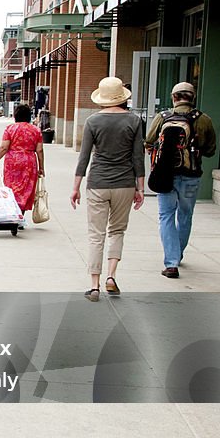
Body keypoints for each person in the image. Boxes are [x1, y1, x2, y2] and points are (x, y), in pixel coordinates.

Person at [70, 77, 146, 301]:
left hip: (97, 183)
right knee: (117, 231)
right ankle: (111, 276)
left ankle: (94, 285)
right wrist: (140, 187)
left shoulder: (93, 121)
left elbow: (84, 158)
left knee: (96, 235)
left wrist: (76, 187)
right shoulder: (134, 120)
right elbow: (138, 157)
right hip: (124, 183)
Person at [144, 81, 217, 279]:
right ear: (193, 98)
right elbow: (211, 150)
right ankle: (178, 253)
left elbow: (149, 142)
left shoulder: (163, 117)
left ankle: (171, 262)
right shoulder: (204, 120)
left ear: (174, 98)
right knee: (185, 215)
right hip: (191, 176)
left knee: (166, 215)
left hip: (166, 174)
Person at [0, 103, 44, 223]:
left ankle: (14, 215)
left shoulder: (10, 129)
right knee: (25, 190)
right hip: (29, 162)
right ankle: (19, 215)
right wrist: (42, 167)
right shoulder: (36, 130)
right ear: (29, 116)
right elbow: (39, 150)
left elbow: (4, 148)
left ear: (15, 116)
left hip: (13, 162)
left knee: (11, 189)